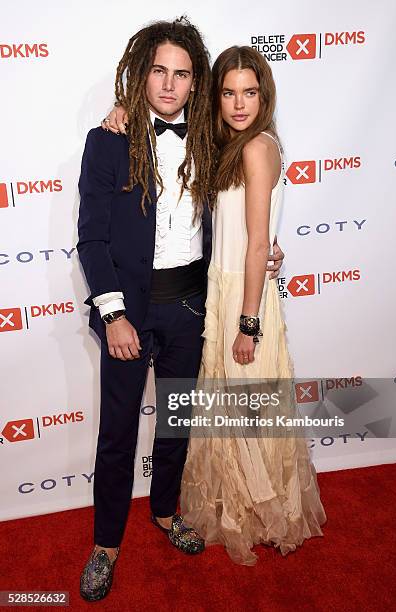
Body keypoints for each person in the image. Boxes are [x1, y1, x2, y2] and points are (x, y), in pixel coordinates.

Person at [77, 19, 285, 601]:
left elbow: (247, 200)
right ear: (143, 74)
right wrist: (114, 315)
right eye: (159, 72)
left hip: (192, 310)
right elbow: (92, 239)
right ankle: (106, 544)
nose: (169, 85)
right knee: (117, 434)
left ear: (197, 83)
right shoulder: (108, 141)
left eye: (183, 74)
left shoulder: (209, 139)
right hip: (128, 312)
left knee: (175, 424)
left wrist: (269, 246)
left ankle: (166, 512)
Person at [178, 46, 327, 565]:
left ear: (263, 95)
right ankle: (245, 507)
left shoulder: (256, 148)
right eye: (228, 92)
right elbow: (251, 234)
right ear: (216, 96)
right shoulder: (239, 145)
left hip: (245, 298)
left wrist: (249, 324)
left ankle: (263, 511)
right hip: (229, 287)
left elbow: (258, 243)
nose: (239, 103)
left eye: (249, 91)